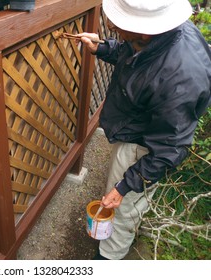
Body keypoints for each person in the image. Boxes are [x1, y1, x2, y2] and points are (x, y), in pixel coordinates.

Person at [78, 0, 211, 260]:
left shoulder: (179, 77)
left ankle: (108, 258)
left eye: (119, 23)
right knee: (127, 200)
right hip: (141, 129)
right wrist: (102, 48)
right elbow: (136, 56)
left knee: (123, 208)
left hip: (145, 148)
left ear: (145, 30)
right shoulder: (163, 37)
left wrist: (125, 186)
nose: (111, 24)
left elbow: (169, 149)